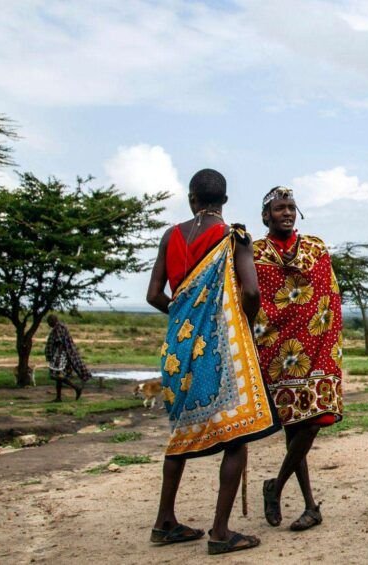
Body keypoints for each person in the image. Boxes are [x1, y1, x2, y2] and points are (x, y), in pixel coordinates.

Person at [145, 168, 279, 555]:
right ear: (224, 200)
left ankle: (164, 522)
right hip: (219, 346)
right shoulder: (232, 236)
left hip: (177, 350)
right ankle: (220, 532)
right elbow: (251, 291)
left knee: (180, 434)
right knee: (237, 434)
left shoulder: (170, 236)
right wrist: (243, 322)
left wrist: (185, 314)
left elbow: (154, 294)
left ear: (191, 199)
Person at [253, 186, 344, 532]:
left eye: (291, 207)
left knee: (310, 421)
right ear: (266, 216)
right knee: (296, 429)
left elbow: (329, 297)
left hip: (317, 352)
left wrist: (330, 345)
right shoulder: (254, 252)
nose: (287, 213)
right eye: (279, 208)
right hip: (277, 352)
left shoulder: (316, 248)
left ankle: (275, 487)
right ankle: (309, 506)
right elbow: (253, 299)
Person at [44, 314, 92, 401]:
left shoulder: (57, 329)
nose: (48, 324)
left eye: (49, 322)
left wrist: (57, 357)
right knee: (58, 376)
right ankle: (58, 397)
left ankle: (76, 388)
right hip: (64, 355)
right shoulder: (61, 327)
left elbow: (60, 343)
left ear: (52, 321)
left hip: (60, 355)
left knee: (57, 376)